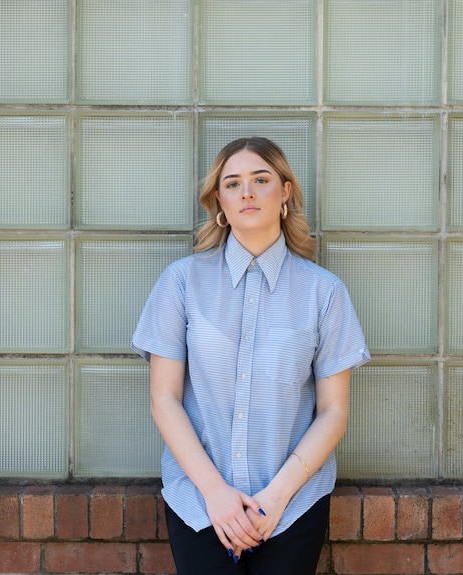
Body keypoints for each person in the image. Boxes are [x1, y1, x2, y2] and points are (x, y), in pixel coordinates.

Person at [132, 137, 370, 574]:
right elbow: (163, 400)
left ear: (285, 192)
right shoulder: (180, 283)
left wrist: (275, 500)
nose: (247, 192)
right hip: (200, 504)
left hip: (293, 506)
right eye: (233, 183)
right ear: (218, 201)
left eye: (261, 180)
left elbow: (333, 412)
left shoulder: (324, 292)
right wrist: (216, 495)